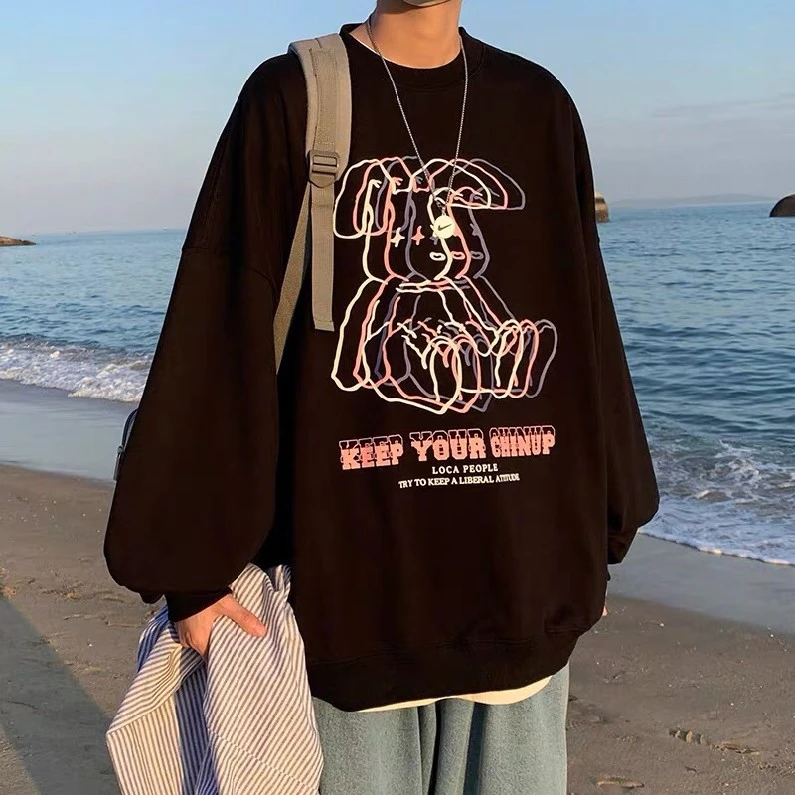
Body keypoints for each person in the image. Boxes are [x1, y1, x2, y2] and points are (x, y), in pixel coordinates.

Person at [104, 1, 659, 792]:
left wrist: (602, 529)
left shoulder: (536, 104)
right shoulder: (292, 95)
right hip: (347, 601)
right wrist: (190, 568)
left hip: (517, 585)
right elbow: (221, 318)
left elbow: (584, 327)